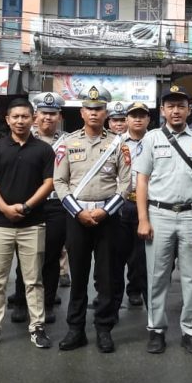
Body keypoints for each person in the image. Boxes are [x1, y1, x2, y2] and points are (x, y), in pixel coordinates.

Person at [135, 85, 192, 355]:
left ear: (188, 109)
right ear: (162, 110)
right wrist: (143, 219)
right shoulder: (151, 139)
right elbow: (142, 181)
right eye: (170, 106)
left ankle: (190, 330)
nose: (176, 110)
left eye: (181, 105)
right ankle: (156, 329)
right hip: (159, 215)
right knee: (157, 276)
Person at [54, 86, 131, 353]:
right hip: (77, 217)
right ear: (82, 112)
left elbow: (126, 184)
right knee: (78, 276)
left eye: (99, 109)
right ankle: (75, 329)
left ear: (105, 112)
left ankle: (103, 328)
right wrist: (78, 212)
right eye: (89, 109)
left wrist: (104, 211)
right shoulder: (68, 142)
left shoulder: (118, 144)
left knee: (107, 276)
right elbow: (59, 181)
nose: (94, 113)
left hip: (107, 218)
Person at [0, 98, 56, 349]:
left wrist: (27, 206)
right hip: (0, 223)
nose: (20, 121)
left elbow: (49, 183)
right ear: (7, 120)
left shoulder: (44, 150)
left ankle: (37, 327)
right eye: (15, 117)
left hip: (33, 223)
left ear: (33, 119)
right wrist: (4, 207)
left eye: (25, 116)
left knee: (33, 279)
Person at [9, 92, 67, 324]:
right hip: (29, 205)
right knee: (26, 257)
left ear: (59, 117)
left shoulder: (68, 142)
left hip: (56, 205)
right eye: (43, 113)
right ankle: (22, 302)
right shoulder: (24, 139)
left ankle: (47, 302)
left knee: (51, 257)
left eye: (53, 114)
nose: (48, 118)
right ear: (35, 116)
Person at [117, 102, 152, 308]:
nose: (137, 119)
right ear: (127, 120)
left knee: (142, 254)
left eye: (142, 115)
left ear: (148, 119)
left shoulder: (156, 141)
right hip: (122, 203)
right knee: (118, 252)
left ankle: (136, 289)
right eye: (133, 116)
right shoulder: (116, 143)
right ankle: (113, 295)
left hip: (147, 204)